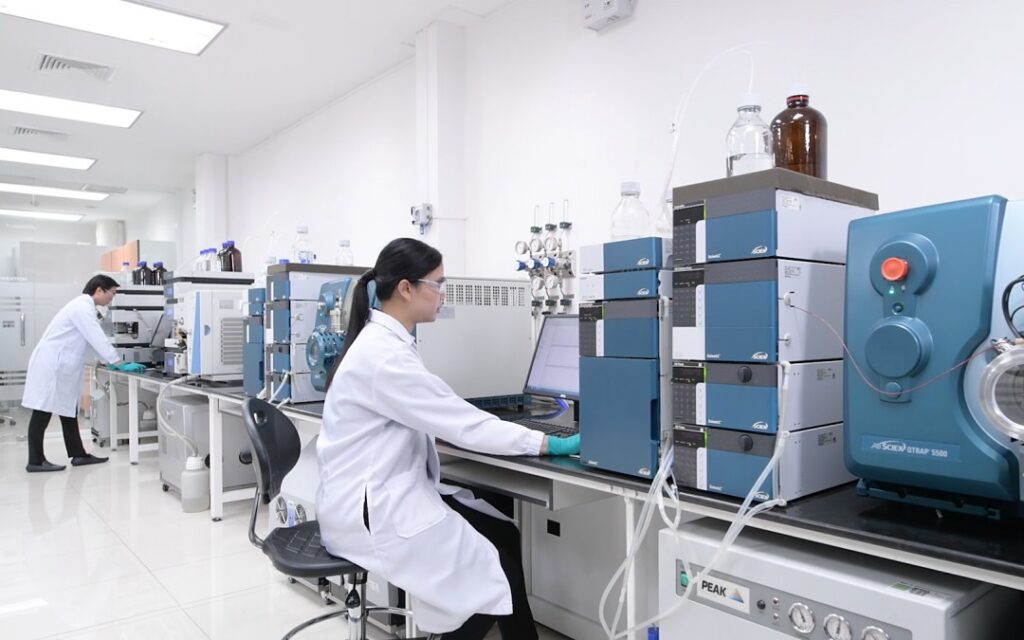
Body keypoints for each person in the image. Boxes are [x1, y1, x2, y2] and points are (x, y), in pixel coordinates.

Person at [316, 238, 580, 639]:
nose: (444, 294)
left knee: (504, 534)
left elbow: (444, 414)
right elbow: (462, 423)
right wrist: (546, 443)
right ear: (406, 289)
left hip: (378, 494)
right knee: (498, 576)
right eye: (437, 284)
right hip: (371, 512)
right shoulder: (384, 356)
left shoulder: (388, 342)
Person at [22, 274, 122, 472]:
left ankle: (79, 454)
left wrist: (106, 359)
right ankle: (35, 461)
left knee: (68, 410)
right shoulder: (82, 307)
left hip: (60, 366)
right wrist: (116, 361)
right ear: (99, 290)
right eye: (111, 293)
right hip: (52, 365)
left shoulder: (84, 308)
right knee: (42, 410)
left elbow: (88, 341)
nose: (112, 298)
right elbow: (96, 336)